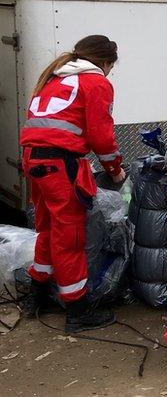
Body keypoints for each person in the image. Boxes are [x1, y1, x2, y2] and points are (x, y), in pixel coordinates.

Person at [20, 35, 124, 332]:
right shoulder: (96, 82)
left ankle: (37, 295)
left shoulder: (54, 78)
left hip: (33, 160)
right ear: (105, 62)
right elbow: (101, 137)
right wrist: (114, 169)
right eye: (111, 67)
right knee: (70, 237)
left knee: (48, 228)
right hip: (59, 164)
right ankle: (77, 309)